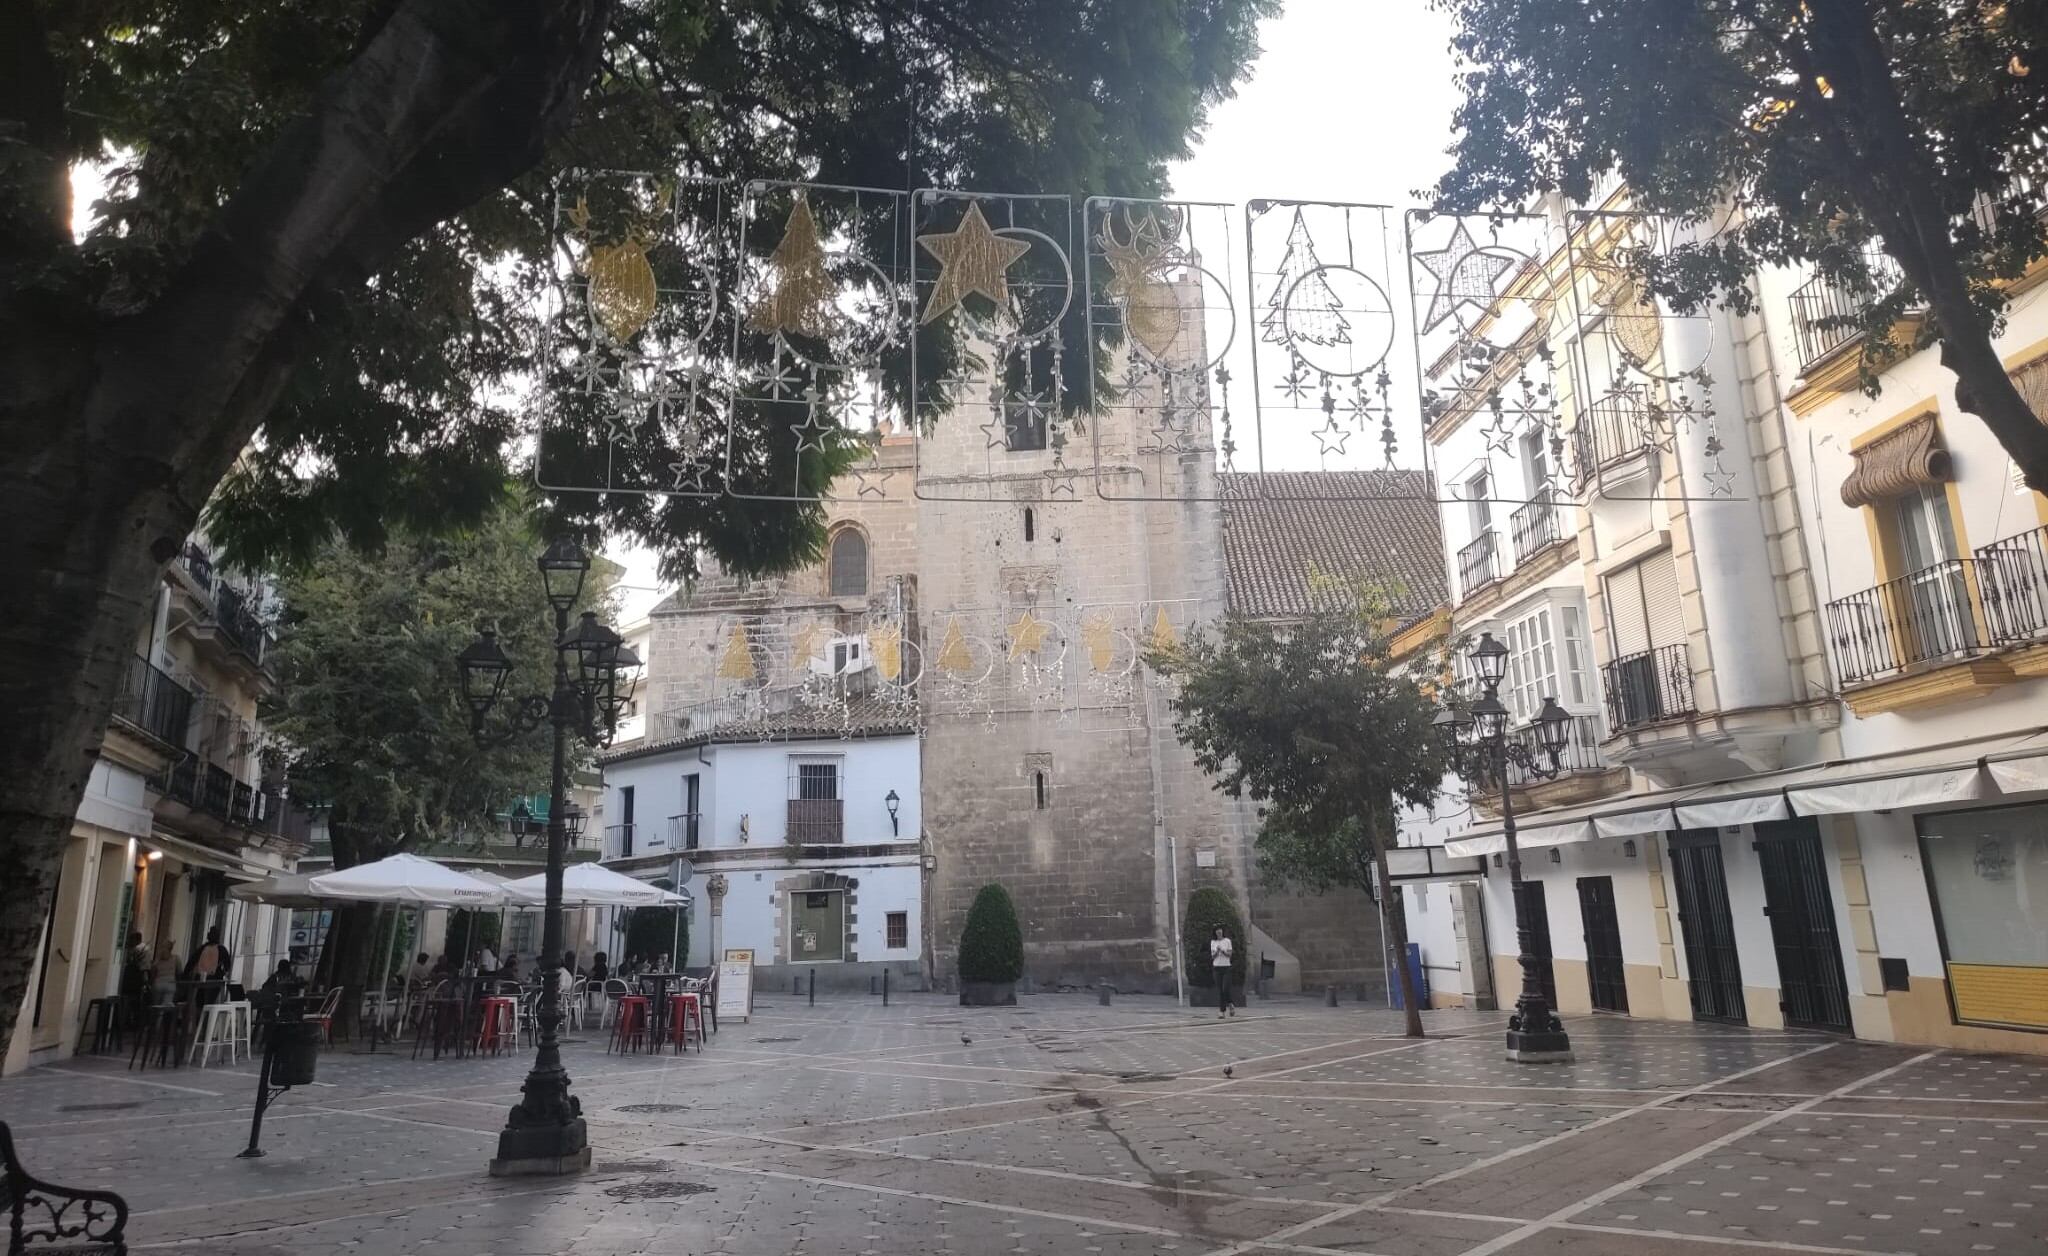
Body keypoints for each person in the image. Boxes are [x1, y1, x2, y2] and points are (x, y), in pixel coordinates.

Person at [1209, 924, 1236, 1019]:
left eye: (1220, 930)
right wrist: (1216, 951)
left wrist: (1223, 951)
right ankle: (1227, 1007)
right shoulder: (1213, 942)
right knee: (1220, 990)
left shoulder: (1227, 941)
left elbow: (1229, 955)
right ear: (1215, 933)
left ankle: (1224, 1009)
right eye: (1216, 931)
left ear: (1222, 931)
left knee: (1225, 988)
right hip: (1217, 967)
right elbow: (1212, 956)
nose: (1218, 932)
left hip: (1226, 967)